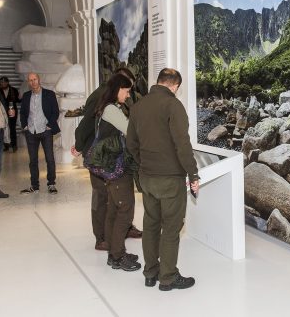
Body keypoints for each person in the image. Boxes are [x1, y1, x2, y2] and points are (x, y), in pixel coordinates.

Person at [126, 68, 200, 291]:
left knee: (150, 225)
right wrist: (193, 173)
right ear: (175, 86)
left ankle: (150, 273)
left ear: (158, 82)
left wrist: (145, 163)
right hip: (170, 179)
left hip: (147, 178)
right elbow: (182, 145)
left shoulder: (138, 107)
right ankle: (167, 278)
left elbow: (131, 143)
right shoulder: (173, 106)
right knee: (170, 228)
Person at [72, 67, 143, 251]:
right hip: (97, 154)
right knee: (101, 196)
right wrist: (79, 146)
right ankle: (101, 237)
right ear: (119, 83)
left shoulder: (112, 98)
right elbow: (86, 123)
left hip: (111, 153)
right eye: (127, 89)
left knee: (115, 196)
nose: (129, 94)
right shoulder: (100, 97)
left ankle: (121, 229)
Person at [91, 73, 142, 271]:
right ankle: (118, 256)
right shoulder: (112, 110)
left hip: (111, 168)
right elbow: (130, 130)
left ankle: (114, 253)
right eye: (126, 91)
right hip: (117, 167)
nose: (128, 95)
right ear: (118, 89)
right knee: (125, 210)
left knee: (114, 209)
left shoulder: (107, 108)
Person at [19, 72, 60, 194]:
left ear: (39, 79)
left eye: (35, 79)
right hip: (31, 131)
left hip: (45, 131)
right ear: (28, 83)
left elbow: (55, 112)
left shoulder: (49, 94)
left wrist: (49, 125)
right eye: (30, 80)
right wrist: (25, 125)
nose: (33, 82)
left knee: (50, 159)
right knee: (33, 160)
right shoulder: (26, 96)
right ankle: (34, 185)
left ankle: (51, 184)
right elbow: (22, 113)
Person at [0, 76, 20, 152]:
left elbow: (17, 100)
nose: (3, 83)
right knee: (3, 129)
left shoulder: (13, 90)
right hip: (2, 112)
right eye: (1, 82)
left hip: (12, 112)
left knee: (12, 128)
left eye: (4, 82)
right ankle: (5, 145)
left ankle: (14, 145)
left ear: (7, 82)